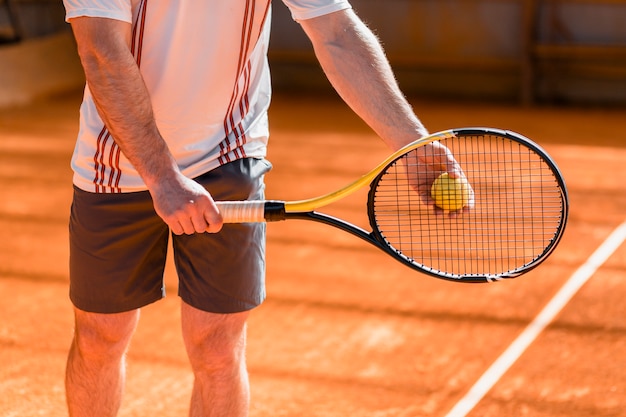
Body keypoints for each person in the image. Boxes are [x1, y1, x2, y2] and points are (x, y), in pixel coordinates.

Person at [62, 1, 469, 416]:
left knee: (218, 346)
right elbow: (101, 51)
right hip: (116, 161)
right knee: (100, 335)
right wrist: (163, 178)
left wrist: (411, 144)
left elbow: (334, 30)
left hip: (229, 151)